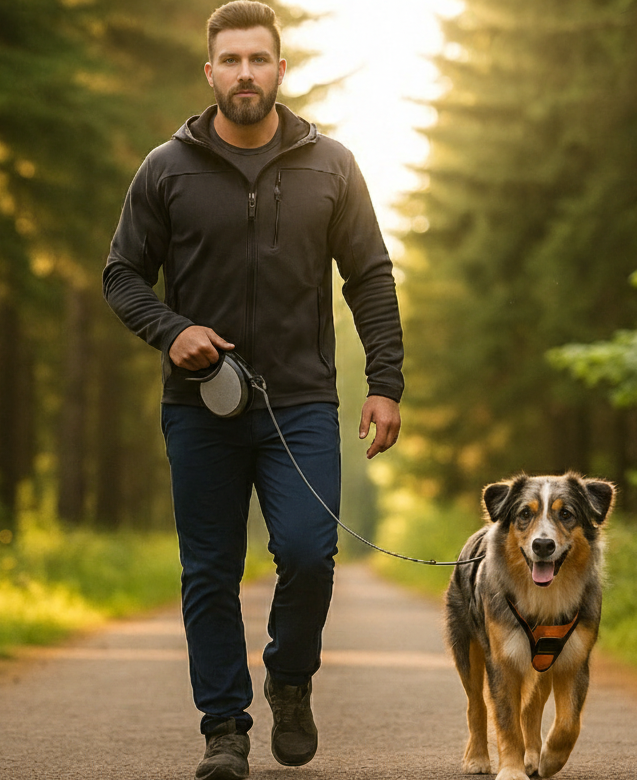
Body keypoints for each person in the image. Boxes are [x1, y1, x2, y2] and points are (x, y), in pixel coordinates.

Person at [102, 2, 404, 778]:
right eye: (230, 60)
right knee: (209, 569)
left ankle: (290, 679)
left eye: (257, 60)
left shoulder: (330, 164)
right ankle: (224, 730)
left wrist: (384, 382)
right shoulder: (165, 169)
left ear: (278, 68)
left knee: (308, 552)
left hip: (301, 401)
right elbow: (122, 275)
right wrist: (171, 330)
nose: (244, 73)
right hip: (199, 405)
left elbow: (368, 275)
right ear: (210, 73)